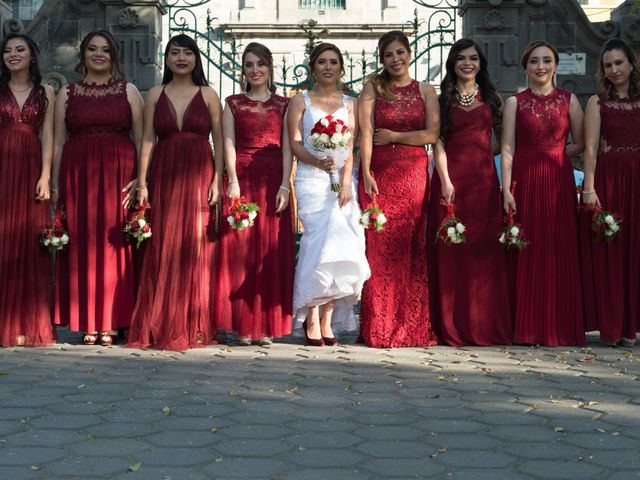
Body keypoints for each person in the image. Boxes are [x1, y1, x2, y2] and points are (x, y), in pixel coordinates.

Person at [126, 34, 223, 351]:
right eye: (174, 53)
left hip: (198, 171)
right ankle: (160, 322)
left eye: (187, 53)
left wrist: (218, 180)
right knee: (164, 244)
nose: (181, 58)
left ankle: (194, 324)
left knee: (194, 244)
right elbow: (148, 141)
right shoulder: (155, 93)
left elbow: (220, 141)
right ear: (166, 59)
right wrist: (142, 181)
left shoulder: (208, 94)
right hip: (164, 174)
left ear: (196, 59)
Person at [52, 30, 143, 346]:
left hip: (120, 177)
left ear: (114, 55)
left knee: (114, 246)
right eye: (92, 49)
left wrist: (142, 179)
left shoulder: (129, 91)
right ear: (84, 55)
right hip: (78, 176)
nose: (98, 54)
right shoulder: (67, 92)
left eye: (105, 49)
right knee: (84, 246)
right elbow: (59, 141)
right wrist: (54, 182)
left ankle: (112, 320)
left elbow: (144, 138)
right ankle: (89, 320)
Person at [426, 38, 511, 346]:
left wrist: (483, 154)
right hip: (450, 179)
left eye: (473, 58)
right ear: (452, 63)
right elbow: (437, 141)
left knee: (483, 251)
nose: (467, 63)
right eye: (461, 58)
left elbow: (504, 140)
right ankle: (452, 326)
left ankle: (483, 325)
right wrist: (446, 180)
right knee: (451, 250)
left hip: (484, 181)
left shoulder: (492, 97)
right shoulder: (442, 99)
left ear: (480, 63)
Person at [358, 30, 439, 348]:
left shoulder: (426, 90)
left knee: (410, 249)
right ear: (382, 59)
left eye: (400, 53)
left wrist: (394, 136)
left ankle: (411, 328)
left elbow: (432, 134)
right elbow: (365, 133)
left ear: (409, 53)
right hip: (380, 174)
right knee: (378, 250)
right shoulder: (372, 88)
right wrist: (365, 172)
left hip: (413, 175)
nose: (396, 59)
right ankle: (378, 327)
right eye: (389, 55)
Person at [501, 41, 585, 346]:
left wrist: (555, 154)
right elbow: (507, 147)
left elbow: (582, 143)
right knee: (526, 249)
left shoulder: (570, 100)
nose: (541, 66)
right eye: (534, 61)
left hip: (557, 181)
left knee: (557, 247)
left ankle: (559, 326)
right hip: (523, 180)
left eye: (546, 60)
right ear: (526, 67)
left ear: (555, 65)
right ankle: (527, 326)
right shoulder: (514, 102)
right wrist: (507, 188)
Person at [287, 43, 370, 346]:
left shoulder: (351, 104)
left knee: (343, 246)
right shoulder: (300, 102)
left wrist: (346, 184)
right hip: (311, 179)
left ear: (341, 68)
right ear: (313, 67)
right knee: (317, 245)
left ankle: (327, 319)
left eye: (333, 62)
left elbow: (351, 147)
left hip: (340, 183)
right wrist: (315, 160)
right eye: (321, 62)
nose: (327, 67)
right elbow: (295, 143)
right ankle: (311, 313)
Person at [216, 42, 294, 346]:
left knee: (269, 250)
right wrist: (232, 180)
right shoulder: (233, 103)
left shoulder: (283, 105)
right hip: (244, 176)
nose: (255, 70)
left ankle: (266, 325)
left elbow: (289, 145)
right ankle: (243, 325)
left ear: (270, 67)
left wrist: (285, 184)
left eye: (260, 64)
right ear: (243, 70)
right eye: (249, 65)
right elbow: (227, 142)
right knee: (242, 250)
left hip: (274, 177)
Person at [581, 38, 640, 347]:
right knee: (613, 252)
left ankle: (633, 326)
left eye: (619, 63)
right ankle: (614, 325)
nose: (615, 69)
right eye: (608, 65)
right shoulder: (597, 102)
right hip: (611, 181)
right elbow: (590, 149)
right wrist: (589, 189)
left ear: (631, 63)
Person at [0, 34, 56, 346]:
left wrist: (46, 175)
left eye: (19, 49)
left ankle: (27, 322)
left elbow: (48, 136)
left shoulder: (45, 91)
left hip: (32, 167)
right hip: (3, 166)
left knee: (30, 243)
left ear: (32, 55)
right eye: (7, 50)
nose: (12, 54)